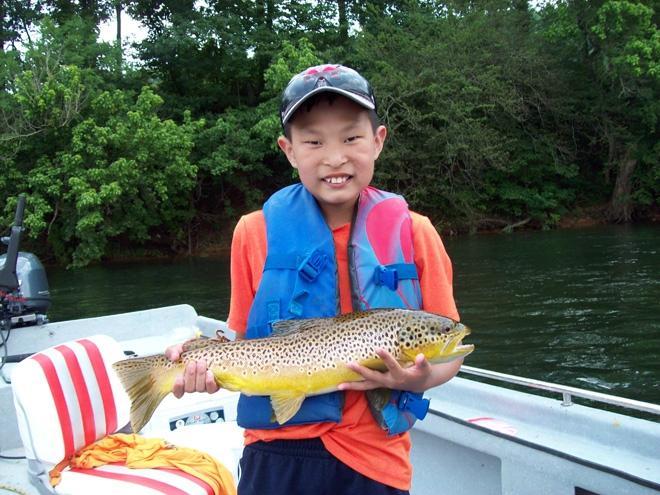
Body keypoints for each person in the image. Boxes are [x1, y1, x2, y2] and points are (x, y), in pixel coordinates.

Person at [166, 64, 462, 495]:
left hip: (376, 458)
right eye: (313, 141)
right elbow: (239, 339)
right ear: (288, 150)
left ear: (378, 141)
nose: (334, 157)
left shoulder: (415, 233)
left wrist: (417, 380)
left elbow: (449, 350)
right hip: (274, 452)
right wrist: (197, 362)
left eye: (351, 137)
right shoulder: (253, 232)